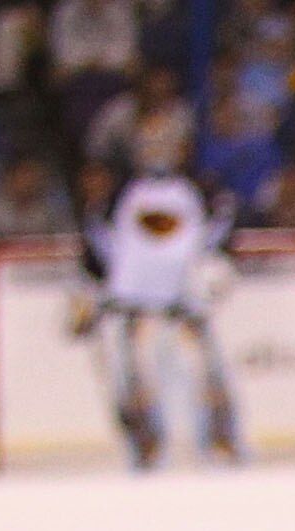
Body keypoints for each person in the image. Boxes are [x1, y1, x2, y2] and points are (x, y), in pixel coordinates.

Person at [79, 163, 242, 467]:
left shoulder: (162, 196)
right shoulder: (154, 197)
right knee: (132, 379)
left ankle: (219, 437)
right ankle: (146, 441)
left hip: (176, 306)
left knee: (206, 374)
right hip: (138, 308)